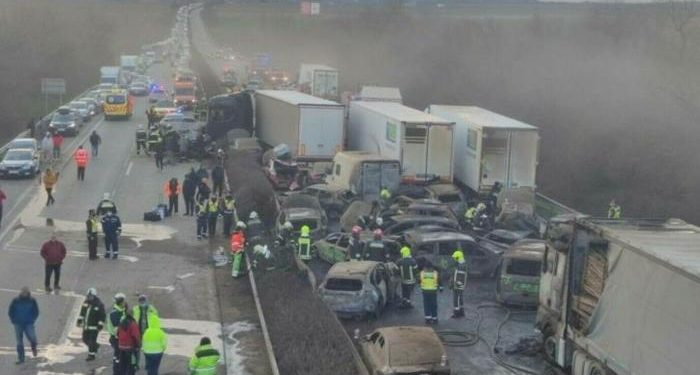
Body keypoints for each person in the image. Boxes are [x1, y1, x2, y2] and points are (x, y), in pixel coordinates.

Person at [8, 287, 39, 364]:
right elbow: (10, 311)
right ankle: (21, 358)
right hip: (18, 323)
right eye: (23, 293)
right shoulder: (16, 301)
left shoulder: (32, 300)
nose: (24, 294)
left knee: (33, 338)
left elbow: (36, 311)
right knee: (19, 342)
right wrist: (13, 320)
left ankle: (33, 346)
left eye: (26, 293)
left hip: (28, 323)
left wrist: (33, 319)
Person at [76, 288, 106, 361]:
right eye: (88, 296)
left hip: (94, 327)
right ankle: (95, 347)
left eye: (90, 296)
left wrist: (100, 324)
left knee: (92, 341)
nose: (89, 297)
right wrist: (80, 320)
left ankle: (91, 355)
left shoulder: (99, 304)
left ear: (94, 296)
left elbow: (102, 315)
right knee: (85, 339)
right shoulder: (86, 302)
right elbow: (82, 312)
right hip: (86, 326)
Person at [133, 295, 159, 370]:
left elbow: (156, 317)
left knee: (147, 349)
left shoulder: (151, 308)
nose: (142, 303)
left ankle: (148, 364)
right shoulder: (135, 308)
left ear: (146, 301)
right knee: (137, 349)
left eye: (143, 301)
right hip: (138, 332)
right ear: (138, 302)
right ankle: (136, 364)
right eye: (141, 301)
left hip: (148, 332)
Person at [107, 293, 127, 374]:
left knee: (119, 356)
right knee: (118, 357)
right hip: (117, 339)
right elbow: (117, 329)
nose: (125, 303)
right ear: (121, 302)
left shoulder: (121, 312)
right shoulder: (115, 313)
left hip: (118, 338)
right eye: (124, 301)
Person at [117, 309, 141, 375]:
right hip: (130, 348)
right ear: (132, 314)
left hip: (121, 347)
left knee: (123, 365)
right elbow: (136, 336)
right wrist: (138, 345)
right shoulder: (133, 324)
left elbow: (117, 333)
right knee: (131, 365)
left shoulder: (121, 322)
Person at [451, 249, 468, 318]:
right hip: (459, 285)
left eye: (455, 258)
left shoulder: (461, 266)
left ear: (458, 258)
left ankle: (457, 313)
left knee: (456, 299)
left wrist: (454, 284)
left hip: (458, 286)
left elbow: (458, 277)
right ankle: (461, 312)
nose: (454, 259)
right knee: (460, 298)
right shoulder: (461, 265)